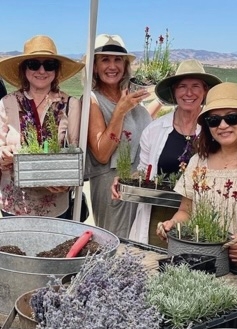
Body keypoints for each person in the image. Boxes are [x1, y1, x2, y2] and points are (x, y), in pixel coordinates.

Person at [156, 82, 237, 273]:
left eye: (232, 118)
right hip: (205, 272)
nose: (223, 125)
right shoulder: (198, 163)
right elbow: (186, 211)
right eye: (214, 120)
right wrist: (172, 225)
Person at [127, 60, 222, 247]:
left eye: (196, 86)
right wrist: (125, 180)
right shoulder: (154, 130)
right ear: (173, 92)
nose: (189, 93)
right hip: (158, 217)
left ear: (205, 92)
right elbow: (144, 171)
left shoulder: (215, 129)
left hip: (202, 218)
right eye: (182, 87)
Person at [0, 35, 83, 216]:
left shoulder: (70, 104)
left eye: (50, 65)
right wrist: (3, 154)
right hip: (13, 205)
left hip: (55, 206)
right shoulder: (7, 103)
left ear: (56, 70)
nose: (42, 70)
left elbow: (75, 153)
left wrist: (67, 181)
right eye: (34, 64)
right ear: (24, 69)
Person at [86, 34, 155, 238]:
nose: (112, 66)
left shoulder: (130, 97)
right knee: (117, 245)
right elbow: (102, 153)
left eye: (118, 60)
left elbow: (136, 132)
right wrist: (120, 111)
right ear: (95, 67)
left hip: (139, 184)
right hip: (112, 189)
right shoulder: (92, 100)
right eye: (105, 60)